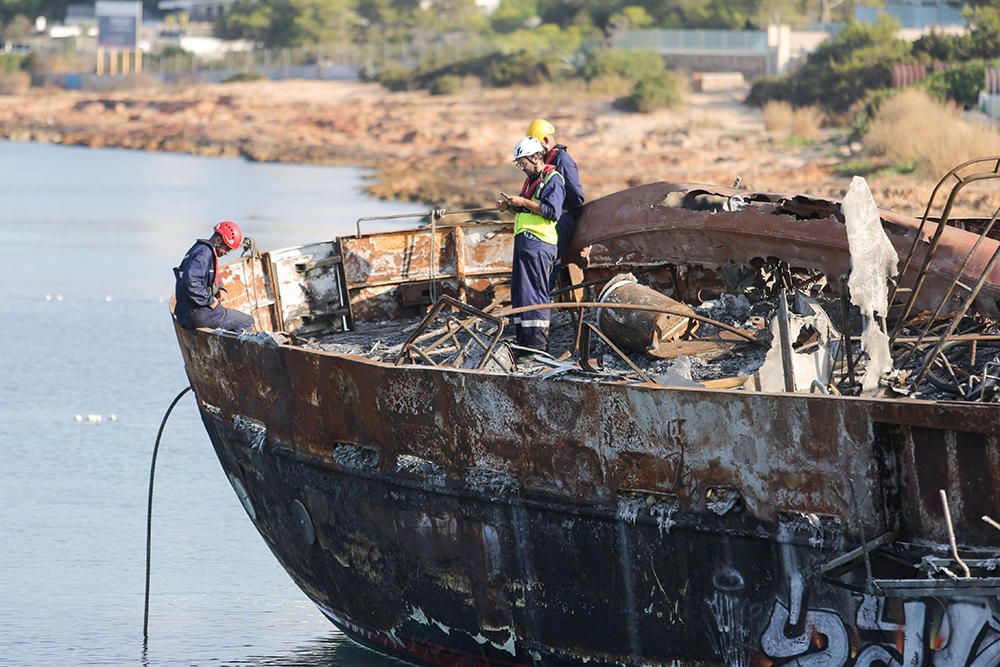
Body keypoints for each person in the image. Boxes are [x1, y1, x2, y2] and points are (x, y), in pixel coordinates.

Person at [497, 137, 565, 353]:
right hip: (525, 242)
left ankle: (537, 347)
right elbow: (528, 210)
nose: (521, 168)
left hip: (539, 244)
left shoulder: (553, 179)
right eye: (519, 164)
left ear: (536, 157)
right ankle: (524, 344)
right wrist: (510, 206)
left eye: (523, 163)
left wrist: (523, 202)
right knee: (521, 294)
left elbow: (552, 212)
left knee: (535, 294)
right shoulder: (531, 181)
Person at [173, 221, 254, 332]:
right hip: (197, 314)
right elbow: (191, 283)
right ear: (218, 240)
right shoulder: (204, 254)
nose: (227, 253)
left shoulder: (200, 249)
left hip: (185, 312)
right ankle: (230, 348)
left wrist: (220, 288)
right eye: (227, 248)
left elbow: (207, 274)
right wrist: (210, 301)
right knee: (247, 321)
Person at [525, 118, 584, 266]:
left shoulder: (562, 160)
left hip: (562, 218)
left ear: (545, 140)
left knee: (551, 263)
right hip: (548, 218)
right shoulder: (544, 161)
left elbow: (576, 197)